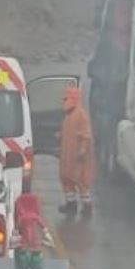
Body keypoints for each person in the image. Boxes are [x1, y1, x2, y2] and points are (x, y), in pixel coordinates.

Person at [58, 85, 94, 216]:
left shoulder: (81, 114)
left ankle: (87, 206)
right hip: (67, 156)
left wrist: (82, 151)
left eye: (66, 98)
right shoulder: (70, 115)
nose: (64, 101)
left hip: (78, 157)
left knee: (81, 181)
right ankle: (71, 204)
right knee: (66, 179)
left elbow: (86, 135)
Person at [13, 189, 48, 269]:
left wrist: (16, 231)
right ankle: (28, 259)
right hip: (29, 235)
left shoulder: (24, 218)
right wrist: (45, 231)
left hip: (31, 235)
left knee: (31, 245)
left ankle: (32, 259)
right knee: (27, 245)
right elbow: (41, 223)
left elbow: (19, 224)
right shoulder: (32, 217)